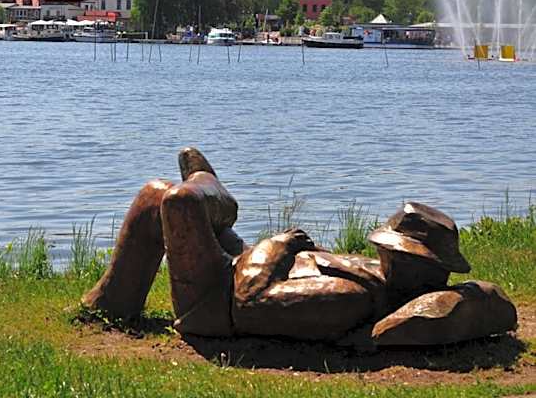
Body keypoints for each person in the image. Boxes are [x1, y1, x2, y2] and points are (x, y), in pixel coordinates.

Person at [81, 147, 517, 346]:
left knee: (175, 199)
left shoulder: (351, 296)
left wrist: (280, 245)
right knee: (157, 196)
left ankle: (213, 193)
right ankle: (109, 303)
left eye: (390, 248)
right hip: (239, 264)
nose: (381, 252)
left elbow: (251, 301)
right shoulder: (375, 277)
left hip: (215, 299)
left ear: (407, 259)